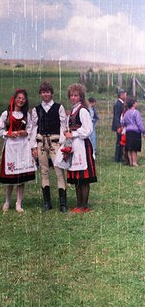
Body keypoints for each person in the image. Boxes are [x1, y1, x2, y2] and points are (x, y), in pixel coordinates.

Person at [0, 89, 36, 213]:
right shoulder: (6, 114)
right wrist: (8, 133)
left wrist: (25, 132)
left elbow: (31, 129)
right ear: (15, 98)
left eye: (23, 98)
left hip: (23, 147)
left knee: (21, 177)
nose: (21, 100)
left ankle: (19, 203)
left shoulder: (27, 115)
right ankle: (7, 201)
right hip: (11, 147)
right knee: (10, 176)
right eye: (19, 98)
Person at [31, 81, 68, 212]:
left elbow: (63, 126)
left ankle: (63, 203)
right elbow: (34, 128)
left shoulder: (59, 108)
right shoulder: (36, 110)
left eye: (48, 92)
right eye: (43, 92)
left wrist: (62, 144)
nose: (45, 94)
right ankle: (47, 202)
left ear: (52, 93)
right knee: (44, 172)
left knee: (59, 171)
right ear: (40, 94)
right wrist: (33, 146)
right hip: (41, 143)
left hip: (55, 142)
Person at [64, 83, 97, 213]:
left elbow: (88, 129)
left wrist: (74, 134)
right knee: (77, 177)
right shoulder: (72, 111)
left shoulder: (83, 111)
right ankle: (78, 204)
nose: (73, 97)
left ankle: (84, 205)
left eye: (76, 95)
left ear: (81, 96)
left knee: (83, 177)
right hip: (73, 145)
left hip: (83, 145)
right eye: (71, 95)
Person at [121, 97, 145, 167]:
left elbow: (123, 122)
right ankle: (134, 162)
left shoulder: (126, 113)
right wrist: (143, 131)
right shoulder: (136, 112)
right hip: (135, 131)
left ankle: (131, 162)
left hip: (128, 131)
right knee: (134, 148)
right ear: (133, 104)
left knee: (129, 148)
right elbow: (139, 123)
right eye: (136, 102)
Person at [111, 89, 127, 162]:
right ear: (121, 95)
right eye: (125, 94)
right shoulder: (118, 104)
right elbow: (116, 116)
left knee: (121, 141)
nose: (126, 96)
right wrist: (118, 127)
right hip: (119, 126)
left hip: (121, 126)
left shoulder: (122, 103)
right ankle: (118, 158)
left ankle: (120, 156)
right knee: (119, 141)